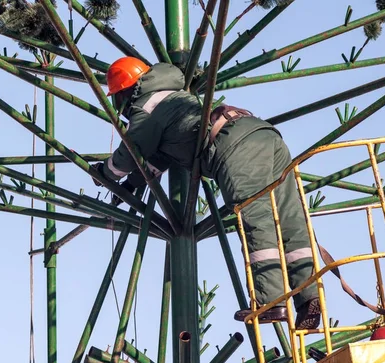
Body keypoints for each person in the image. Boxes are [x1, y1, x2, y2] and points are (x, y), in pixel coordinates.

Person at [91, 57, 321, 330]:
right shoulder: (177, 98)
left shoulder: (147, 107)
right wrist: (129, 186)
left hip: (234, 145)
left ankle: (271, 302)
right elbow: (157, 159)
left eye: (117, 100)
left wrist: (104, 173)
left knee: (255, 216)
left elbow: (130, 153)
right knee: (290, 217)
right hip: (263, 134)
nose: (119, 111)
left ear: (128, 91)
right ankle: (309, 299)